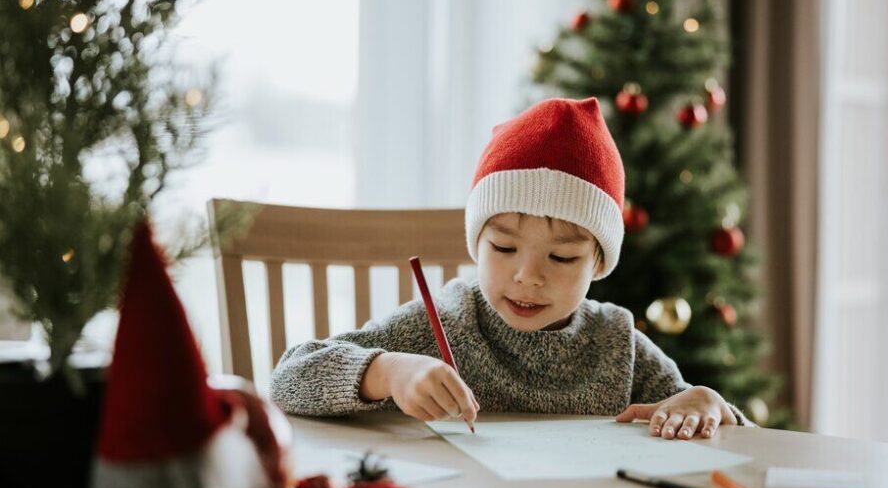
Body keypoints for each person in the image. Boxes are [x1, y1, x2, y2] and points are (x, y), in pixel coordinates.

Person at [271, 97, 746, 440]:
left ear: (599, 261)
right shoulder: (441, 325)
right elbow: (289, 378)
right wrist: (387, 371)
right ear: (476, 243)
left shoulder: (616, 345)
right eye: (503, 248)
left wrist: (708, 403)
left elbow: (734, 431)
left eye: (561, 257)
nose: (528, 276)